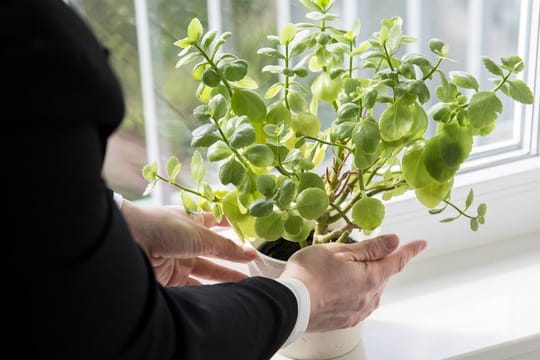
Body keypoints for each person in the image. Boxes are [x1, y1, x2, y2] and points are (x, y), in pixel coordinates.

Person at [3, 1, 427, 359]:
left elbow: (26, 198)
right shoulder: (31, 54)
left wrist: (117, 221)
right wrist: (304, 299)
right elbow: (140, 342)